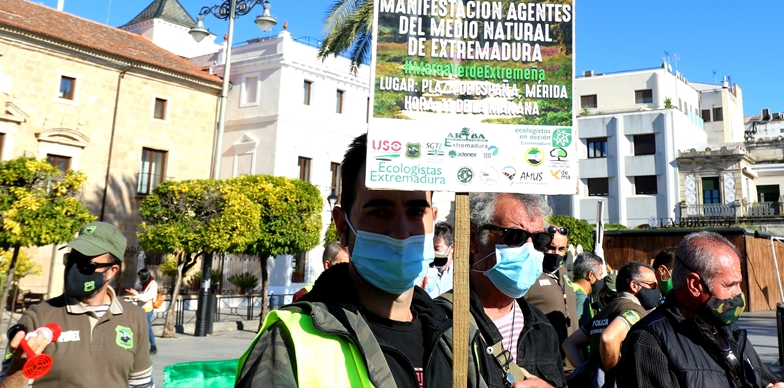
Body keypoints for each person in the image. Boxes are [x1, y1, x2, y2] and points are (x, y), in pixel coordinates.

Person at [236, 134, 493, 388]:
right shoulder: (287, 344)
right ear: (342, 225)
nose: (402, 232)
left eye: (416, 212)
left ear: (433, 218)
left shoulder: (459, 337)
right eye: (379, 212)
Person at [617, 231, 784, 388]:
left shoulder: (730, 331)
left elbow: (762, 382)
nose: (738, 294)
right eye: (729, 285)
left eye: (739, 283)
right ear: (695, 285)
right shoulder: (648, 342)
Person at [0, 221, 153, 388]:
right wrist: (20, 365)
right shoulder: (38, 317)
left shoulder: (134, 316)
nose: (74, 270)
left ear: (112, 271)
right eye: (71, 260)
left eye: (87, 265)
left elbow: (141, 384)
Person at [469, 192, 567, 388]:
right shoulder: (443, 322)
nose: (530, 250)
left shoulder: (542, 328)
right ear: (474, 240)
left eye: (540, 240)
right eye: (515, 236)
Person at [563, 261, 660, 379]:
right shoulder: (634, 310)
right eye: (652, 285)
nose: (656, 291)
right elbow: (608, 338)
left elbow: (569, 344)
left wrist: (588, 371)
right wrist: (613, 376)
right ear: (634, 285)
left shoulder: (606, 311)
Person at [524, 225, 579, 373]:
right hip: (547, 365)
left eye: (561, 249)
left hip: (573, 363)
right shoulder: (530, 275)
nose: (556, 253)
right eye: (551, 248)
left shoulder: (563, 272)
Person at [125, 269, 159, 356]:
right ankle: (139, 346)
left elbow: (147, 296)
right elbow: (142, 294)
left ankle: (153, 346)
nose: (139, 279)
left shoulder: (153, 284)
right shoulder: (145, 284)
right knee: (139, 328)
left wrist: (135, 297)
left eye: (140, 277)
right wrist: (135, 293)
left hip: (147, 310)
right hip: (140, 309)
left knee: (147, 328)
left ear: (144, 276)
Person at [571, 252, 605, 328]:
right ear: (590, 275)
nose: (601, 279)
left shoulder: (569, 288)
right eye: (600, 275)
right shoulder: (581, 298)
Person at [425, 220, 454, 298]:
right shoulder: (423, 271)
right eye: (430, 248)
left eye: (437, 249)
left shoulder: (459, 273)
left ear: (451, 248)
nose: (433, 253)